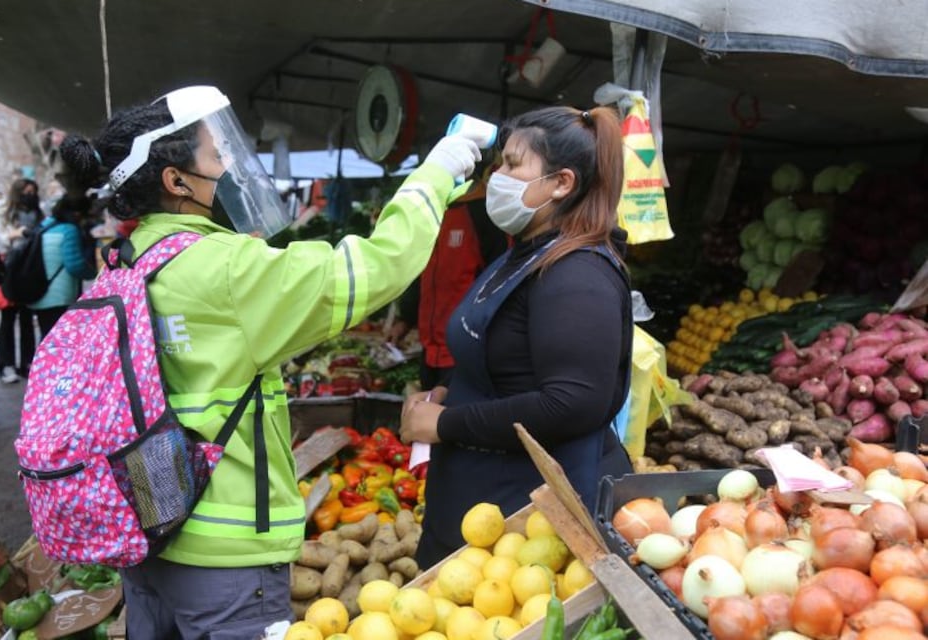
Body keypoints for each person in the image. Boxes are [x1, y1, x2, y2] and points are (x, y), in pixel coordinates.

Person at [58, 85, 480, 638]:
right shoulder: (224, 267)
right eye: (215, 154)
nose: (228, 163)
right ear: (175, 180)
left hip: (150, 532)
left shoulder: (124, 263)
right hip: (226, 555)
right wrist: (437, 173)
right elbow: (376, 266)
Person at [399, 106, 635, 568]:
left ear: (562, 183)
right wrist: (452, 391)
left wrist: (445, 424)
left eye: (511, 164)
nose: (497, 176)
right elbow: (508, 358)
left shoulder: (578, 275)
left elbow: (573, 401)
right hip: (481, 510)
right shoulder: (528, 251)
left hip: (524, 524)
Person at [387, 178, 508, 390]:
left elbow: (498, 280)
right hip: (429, 350)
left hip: (464, 353)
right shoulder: (431, 216)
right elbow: (419, 273)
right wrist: (404, 319)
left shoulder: (484, 214)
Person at [0, 178, 42, 381]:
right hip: (9, 269)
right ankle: (6, 365)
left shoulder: (38, 214)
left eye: (33, 191)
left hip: (30, 270)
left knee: (27, 318)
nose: (29, 195)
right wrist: (12, 235)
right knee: (8, 319)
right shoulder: (4, 213)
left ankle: (27, 363)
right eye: (26, 192)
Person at [26, 195, 97, 338]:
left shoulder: (45, 225)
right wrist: (95, 274)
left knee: (47, 337)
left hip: (40, 289)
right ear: (77, 213)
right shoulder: (69, 230)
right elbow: (74, 265)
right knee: (60, 339)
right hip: (60, 294)